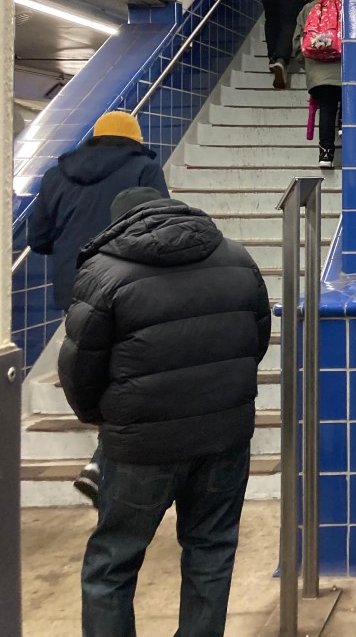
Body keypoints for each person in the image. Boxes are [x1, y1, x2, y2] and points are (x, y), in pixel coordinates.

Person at [59, 187, 271, 637]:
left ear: (119, 224)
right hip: (223, 437)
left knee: (113, 563)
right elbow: (255, 341)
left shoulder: (104, 273)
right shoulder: (237, 260)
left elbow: (79, 368)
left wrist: (102, 419)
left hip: (141, 445)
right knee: (211, 551)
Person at [27, 110, 169, 504]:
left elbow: (37, 238)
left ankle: (104, 455)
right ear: (135, 140)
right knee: (130, 371)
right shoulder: (143, 168)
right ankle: (102, 461)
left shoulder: (56, 175)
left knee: (99, 369)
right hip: (128, 281)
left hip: (75, 288)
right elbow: (159, 224)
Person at [293, 0, 342, 168]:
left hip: (319, 74)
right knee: (349, 101)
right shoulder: (351, 7)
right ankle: (345, 127)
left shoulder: (309, 9)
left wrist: (309, 66)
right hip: (346, 70)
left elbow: (298, 44)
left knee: (327, 109)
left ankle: (325, 155)